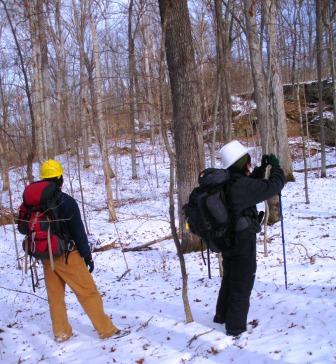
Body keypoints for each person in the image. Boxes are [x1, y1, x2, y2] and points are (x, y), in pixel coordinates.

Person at [38, 159, 120, 342]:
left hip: (46, 255)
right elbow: (78, 231)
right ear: (59, 178)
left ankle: (61, 333)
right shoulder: (66, 201)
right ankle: (106, 330)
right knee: (88, 292)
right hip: (67, 255)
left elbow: (22, 227)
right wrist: (87, 256)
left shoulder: (34, 202)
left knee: (55, 297)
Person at [213, 140, 285, 337]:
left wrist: (262, 168)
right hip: (242, 240)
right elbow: (275, 185)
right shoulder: (241, 186)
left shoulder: (228, 180)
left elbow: (251, 183)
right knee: (242, 281)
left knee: (230, 277)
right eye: (248, 160)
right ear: (242, 162)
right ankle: (235, 328)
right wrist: (277, 168)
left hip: (228, 239)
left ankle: (221, 316)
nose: (250, 162)